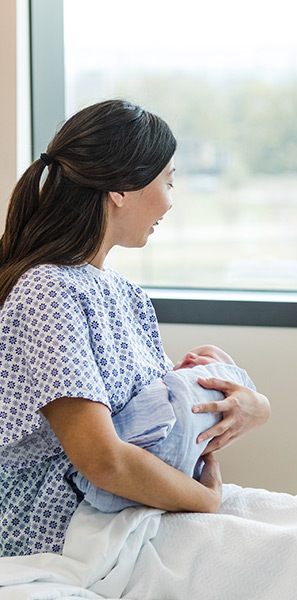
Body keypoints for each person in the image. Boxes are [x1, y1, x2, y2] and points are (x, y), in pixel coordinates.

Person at [0, 100, 270, 557]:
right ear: (121, 189)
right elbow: (104, 461)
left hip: (125, 511)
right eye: (168, 181)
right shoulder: (47, 291)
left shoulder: (126, 295)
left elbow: (156, 418)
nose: (169, 199)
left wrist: (253, 406)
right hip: (58, 529)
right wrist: (205, 500)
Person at [68, 345, 256, 512]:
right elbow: (105, 463)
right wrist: (208, 499)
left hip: (165, 482)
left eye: (207, 355)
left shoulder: (144, 333)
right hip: (110, 476)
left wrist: (259, 407)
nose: (190, 355)